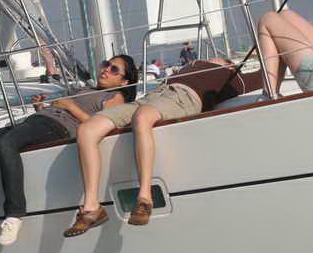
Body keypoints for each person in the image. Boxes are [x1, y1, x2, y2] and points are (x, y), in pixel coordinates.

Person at [0, 55, 139, 246]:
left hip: (58, 127)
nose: (106, 69)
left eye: (114, 69)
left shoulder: (116, 97)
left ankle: (14, 215)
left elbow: (102, 125)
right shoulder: (86, 88)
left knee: (7, 143)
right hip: (37, 121)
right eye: (106, 64)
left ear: (124, 81)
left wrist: (70, 106)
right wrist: (41, 107)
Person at [64, 58, 264, 236]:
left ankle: (144, 198)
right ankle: (92, 207)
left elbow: (266, 73)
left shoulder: (234, 78)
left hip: (184, 97)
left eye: (220, 60)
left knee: (142, 117)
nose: (213, 58)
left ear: (230, 67)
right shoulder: (191, 66)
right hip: (152, 96)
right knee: (87, 129)